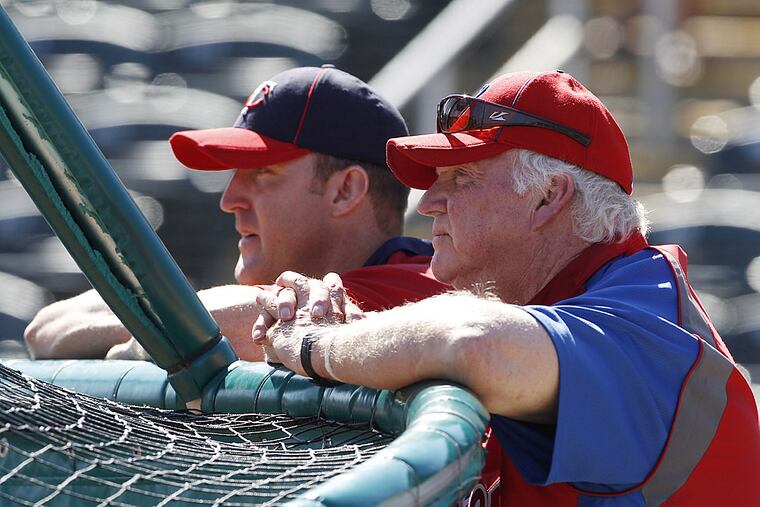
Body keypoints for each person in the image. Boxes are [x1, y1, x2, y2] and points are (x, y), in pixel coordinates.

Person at [254, 70, 760, 506]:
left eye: (461, 176)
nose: (428, 201)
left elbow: (470, 342)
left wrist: (316, 342)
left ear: (547, 198)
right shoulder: (543, 303)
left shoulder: (650, 319)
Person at [23, 65, 448, 361]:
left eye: (262, 173)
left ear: (346, 190)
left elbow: (250, 320)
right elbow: (42, 330)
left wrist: (137, 342)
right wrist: (159, 335)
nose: (230, 198)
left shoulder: (422, 283)